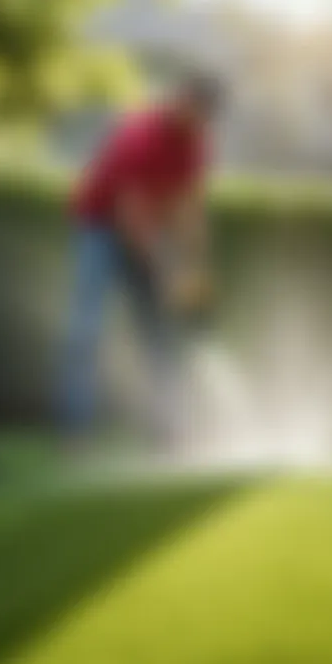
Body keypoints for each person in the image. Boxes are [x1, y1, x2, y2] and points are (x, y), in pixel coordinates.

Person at [60, 72, 224, 444]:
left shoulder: (196, 144)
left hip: (146, 229)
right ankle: (75, 430)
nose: (198, 123)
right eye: (193, 111)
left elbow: (189, 210)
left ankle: (167, 429)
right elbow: (128, 214)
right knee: (86, 329)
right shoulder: (140, 135)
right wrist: (164, 270)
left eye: (205, 119)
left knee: (158, 334)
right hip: (99, 228)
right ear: (182, 101)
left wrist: (195, 269)